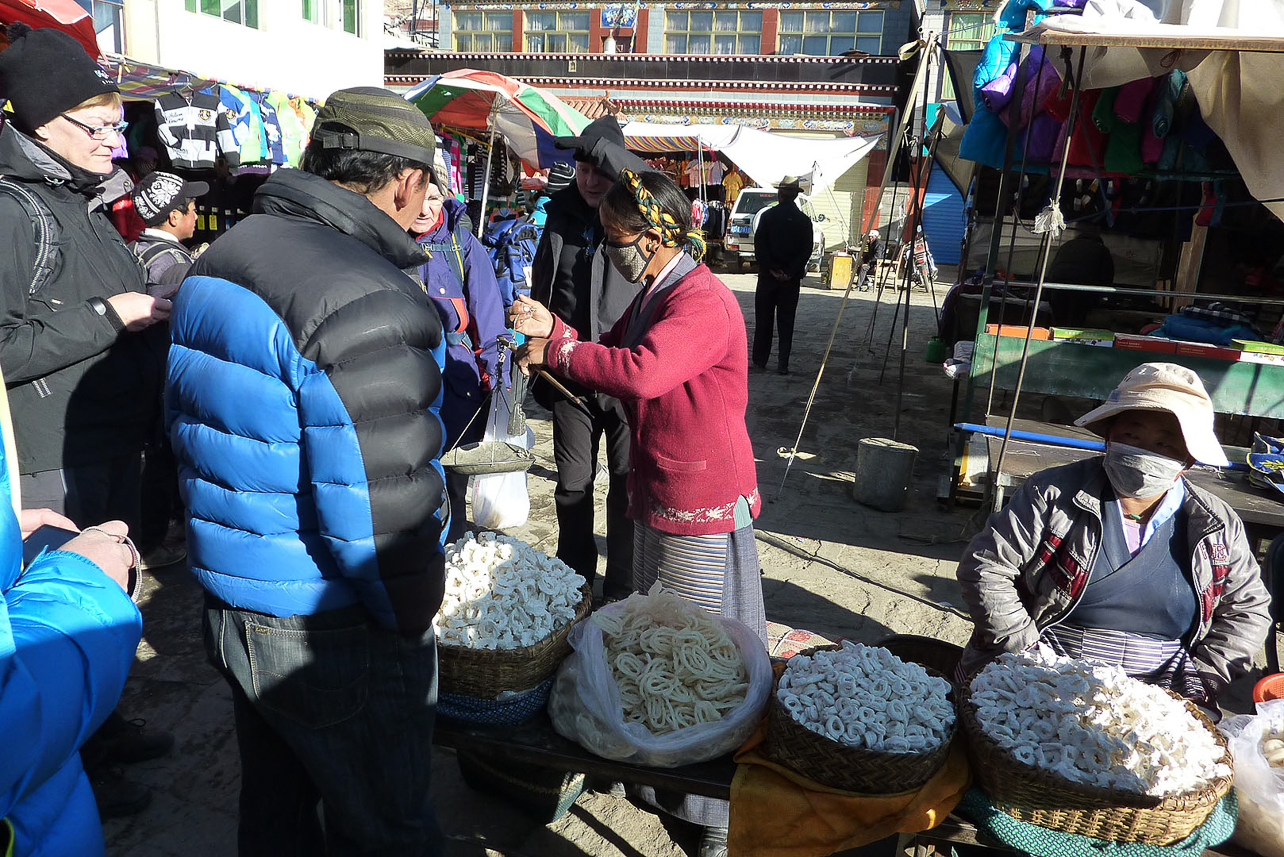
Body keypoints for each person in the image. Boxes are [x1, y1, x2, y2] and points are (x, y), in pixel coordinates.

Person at [166, 86, 450, 855]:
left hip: (234, 601)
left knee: (278, 811)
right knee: (388, 824)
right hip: (327, 624)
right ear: (404, 182)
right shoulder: (362, 296)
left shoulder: (226, 255)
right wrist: (418, 605)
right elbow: (376, 509)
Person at [511, 169, 764, 857]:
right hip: (661, 487)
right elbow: (617, 345)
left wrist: (560, 350)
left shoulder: (701, 300)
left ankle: (707, 813)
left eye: (617, 239)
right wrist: (554, 324)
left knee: (702, 654)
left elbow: (643, 371)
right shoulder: (656, 290)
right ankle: (664, 770)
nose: (609, 249)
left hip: (700, 497)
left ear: (656, 237)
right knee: (663, 639)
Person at [0, 21, 173, 817]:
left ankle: (102, 725)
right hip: (51, 447)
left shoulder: (81, 197)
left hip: (111, 436)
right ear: (41, 123)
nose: (115, 138)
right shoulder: (12, 210)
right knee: (60, 605)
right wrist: (112, 313)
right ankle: (68, 760)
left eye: (116, 123)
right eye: (98, 125)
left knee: (109, 593)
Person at [956, 363, 1271, 707]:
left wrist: (1204, 679)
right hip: (1043, 668)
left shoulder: (1216, 524)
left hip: (1164, 688)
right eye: (1132, 436)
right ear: (1109, 437)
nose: (1145, 452)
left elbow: (1249, 611)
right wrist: (1027, 654)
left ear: (1189, 459)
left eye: (1165, 444)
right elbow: (986, 568)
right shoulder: (1051, 492)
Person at [528, 114, 650, 603]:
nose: (591, 180)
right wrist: (534, 347)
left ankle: (621, 588)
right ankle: (574, 583)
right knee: (572, 485)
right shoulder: (558, 214)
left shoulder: (640, 215)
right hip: (568, 375)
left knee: (625, 489)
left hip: (624, 373)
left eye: (602, 170)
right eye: (583, 169)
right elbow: (543, 285)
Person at [411, 178, 508, 542]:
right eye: (418, 197)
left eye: (433, 197)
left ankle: (453, 555)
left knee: (453, 476)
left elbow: (489, 318)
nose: (424, 208)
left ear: (445, 198)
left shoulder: (461, 244)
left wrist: (499, 382)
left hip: (457, 381)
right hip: (404, 376)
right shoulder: (383, 244)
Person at [752, 176, 813, 375]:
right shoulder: (804, 221)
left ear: (779, 194)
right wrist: (790, 271)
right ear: (796, 196)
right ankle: (783, 364)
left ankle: (760, 361)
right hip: (791, 280)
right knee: (787, 322)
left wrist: (771, 269)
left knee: (764, 321)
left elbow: (760, 247)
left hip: (768, 278)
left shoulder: (768, 217)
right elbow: (806, 250)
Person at [128, 170, 209, 299]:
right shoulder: (177, 266)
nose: (196, 217)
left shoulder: (132, 248)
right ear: (174, 217)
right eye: (193, 210)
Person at [1046, 225, 1115, 326]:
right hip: (1082, 283)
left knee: (1059, 316)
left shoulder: (1067, 245)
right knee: (1076, 316)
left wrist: (1048, 291)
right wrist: (1103, 296)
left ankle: (1056, 335)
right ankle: (1070, 337)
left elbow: (1053, 267)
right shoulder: (1101, 249)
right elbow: (1107, 274)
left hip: (1059, 281)